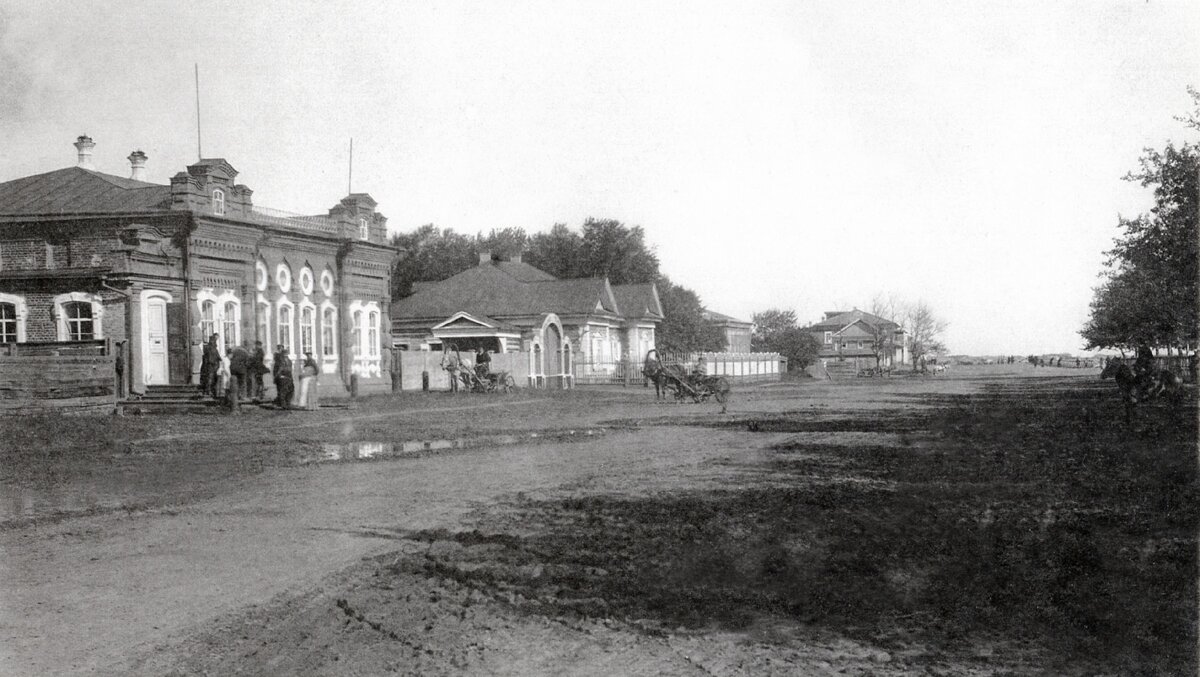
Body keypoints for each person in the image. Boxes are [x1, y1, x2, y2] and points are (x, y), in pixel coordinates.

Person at [227, 341, 251, 414]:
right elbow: (247, 362)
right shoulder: (245, 353)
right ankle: (242, 395)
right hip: (241, 370)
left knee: (234, 384)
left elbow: (230, 358)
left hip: (233, 369)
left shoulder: (235, 351)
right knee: (242, 383)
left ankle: (237, 396)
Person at [272, 344, 294, 408]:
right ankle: (286, 403)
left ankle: (283, 404)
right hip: (287, 377)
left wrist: (276, 377)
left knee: (282, 391)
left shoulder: (281, 360)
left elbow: (280, 369)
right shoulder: (288, 360)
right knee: (287, 391)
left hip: (282, 377)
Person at [200, 333, 221, 398]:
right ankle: (209, 391)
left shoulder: (209, 348)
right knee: (210, 378)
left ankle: (209, 391)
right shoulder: (211, 348)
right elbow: (215, 357)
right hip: (211, 365)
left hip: (211, 365)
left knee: (211, 378)